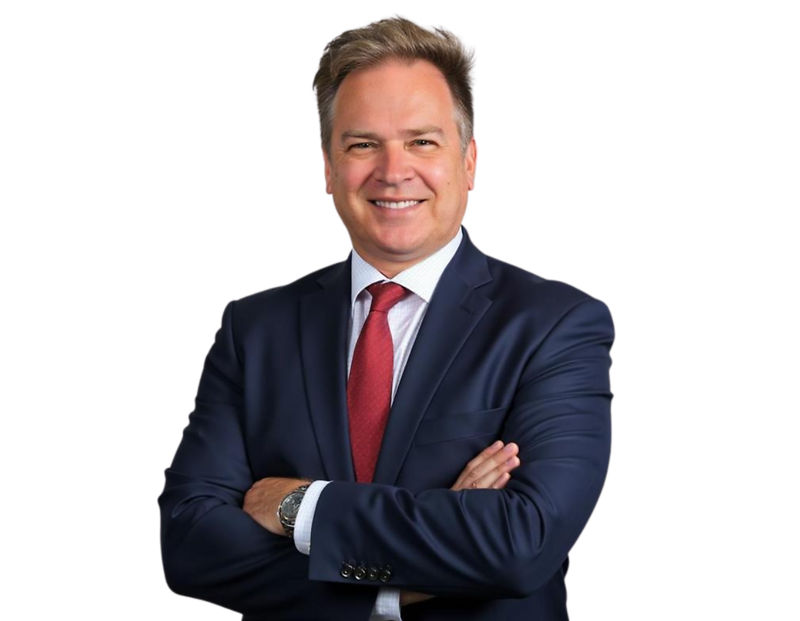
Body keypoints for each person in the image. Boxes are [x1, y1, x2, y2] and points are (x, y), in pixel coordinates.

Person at [157, 13, 615, 621]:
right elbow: (188, 543)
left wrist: (302, 507)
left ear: (470, 161)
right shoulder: (254, 328)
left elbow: (518, 545)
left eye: (422, 141)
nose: (393, 171)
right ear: (327, 167)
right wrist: (399, 584)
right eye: (362, 144)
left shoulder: (558, 323)